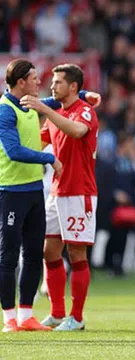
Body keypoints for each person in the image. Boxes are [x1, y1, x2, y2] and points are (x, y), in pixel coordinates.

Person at [21, 64, 99, 330]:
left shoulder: (84, 111)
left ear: (73, 87)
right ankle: (56, 313)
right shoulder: (56, 114)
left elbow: (77, 132)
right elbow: (36, 143)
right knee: (49, 252)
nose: (52, 87)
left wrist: (44, 109)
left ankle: (76, 318)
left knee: (77, 253)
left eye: (58, 82)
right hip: (56, 191)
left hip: (80, 192)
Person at [0, 58, 62, 332]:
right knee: (9, 255)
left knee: (34, 254)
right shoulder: (5, 110)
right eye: (35, 78)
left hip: (34, 190)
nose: (40, 82)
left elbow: (53, 102)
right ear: (22, 81)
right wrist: (48, 158)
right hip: (11, 192)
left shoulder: (29, 104)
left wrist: (83, 95)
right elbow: (14, 151)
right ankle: (9, 318)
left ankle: (26, 316)